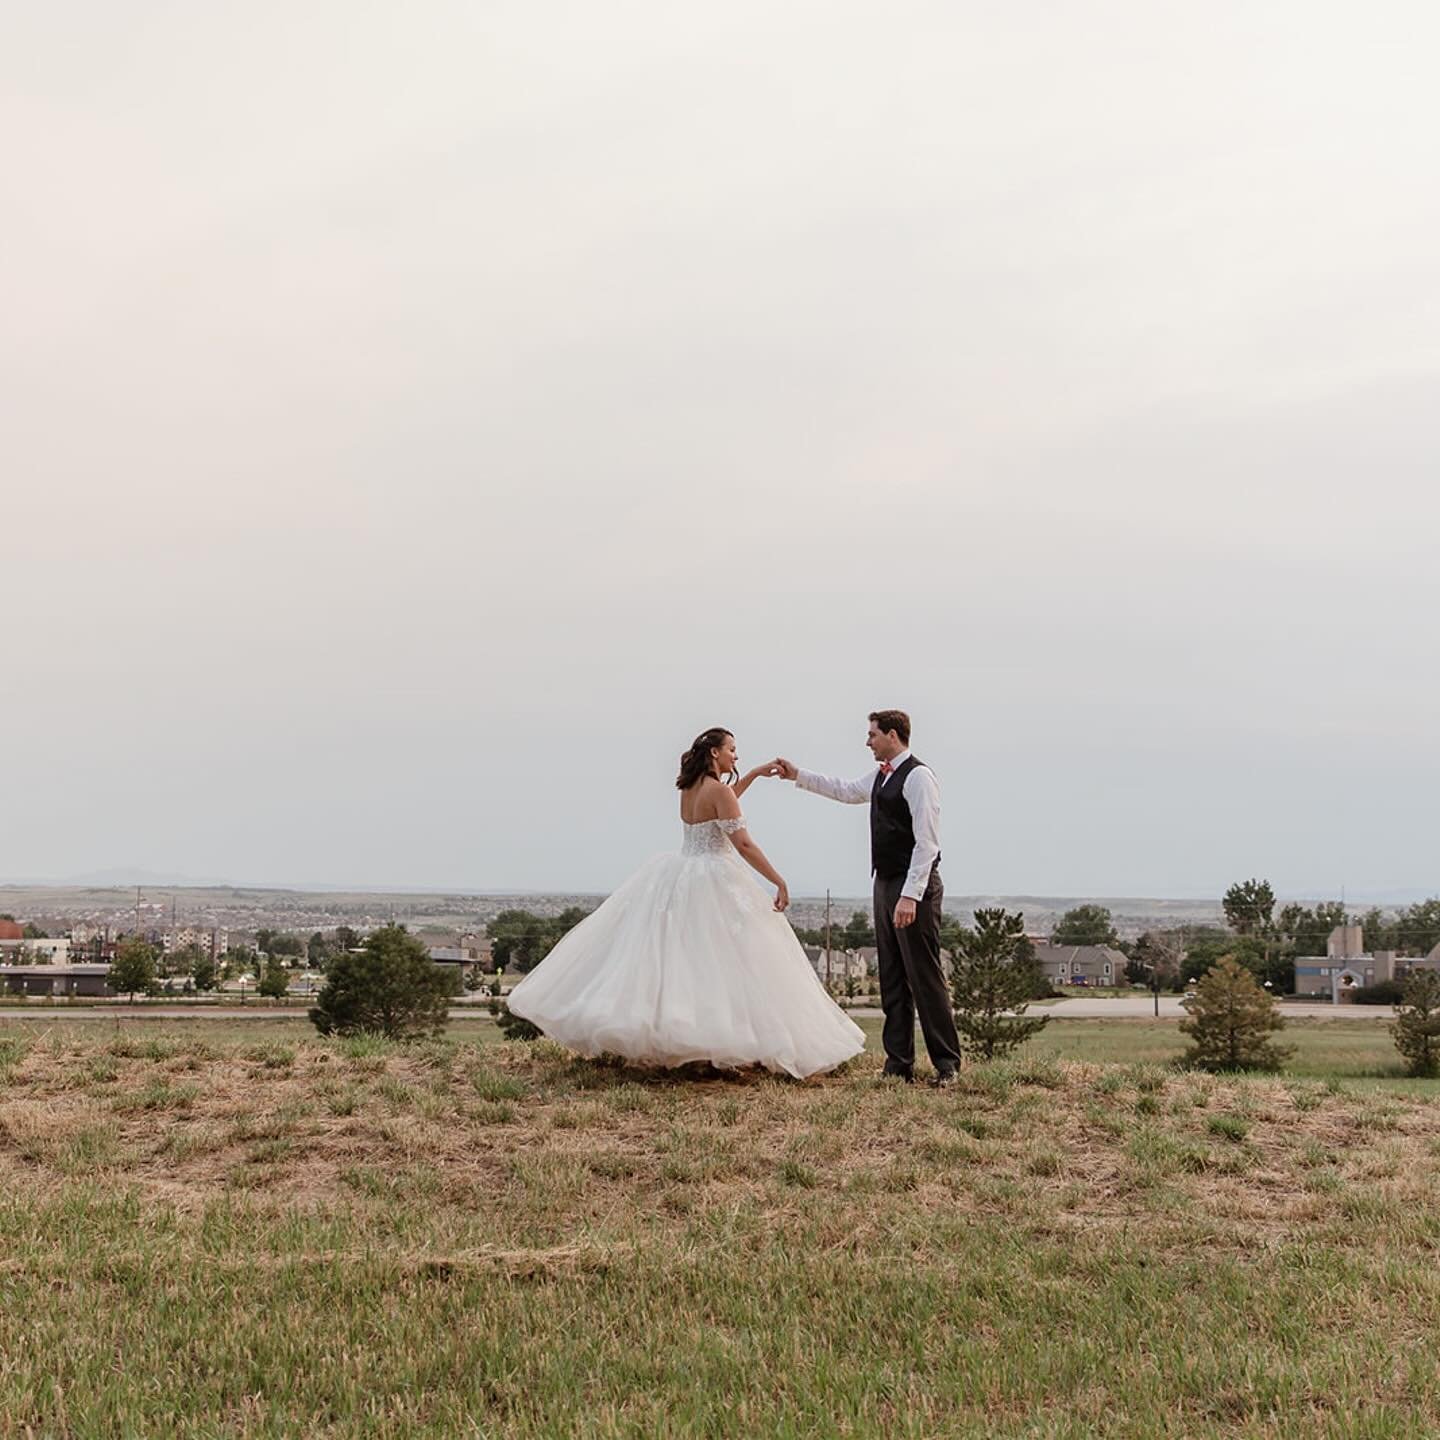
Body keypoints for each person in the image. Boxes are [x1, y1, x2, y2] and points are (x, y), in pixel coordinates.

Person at [506, 727, 865, 1079]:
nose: (735, 756)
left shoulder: (691, 788)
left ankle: (694, 1042)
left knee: (688, 961)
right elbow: (742, 843)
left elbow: (725, 806)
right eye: (732, 750)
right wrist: (778, 880)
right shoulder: (718, 792)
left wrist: (753, 774)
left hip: (683, 874)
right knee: (725, 962)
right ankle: (722, 1044)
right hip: (714, 877)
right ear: (715, 753)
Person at [774, 710, 961, 1087]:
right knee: (891, 974)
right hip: (885, 883)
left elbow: (927, 843)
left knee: (923, 976)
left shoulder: (919, 777)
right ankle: (898, 1064)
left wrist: (910, 896)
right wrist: (799, 775)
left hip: (913, 888)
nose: (867, 741)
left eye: (872, 734)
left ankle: (947, 1064)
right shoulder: (880, 776)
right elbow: (845, 790)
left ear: (893, 735)